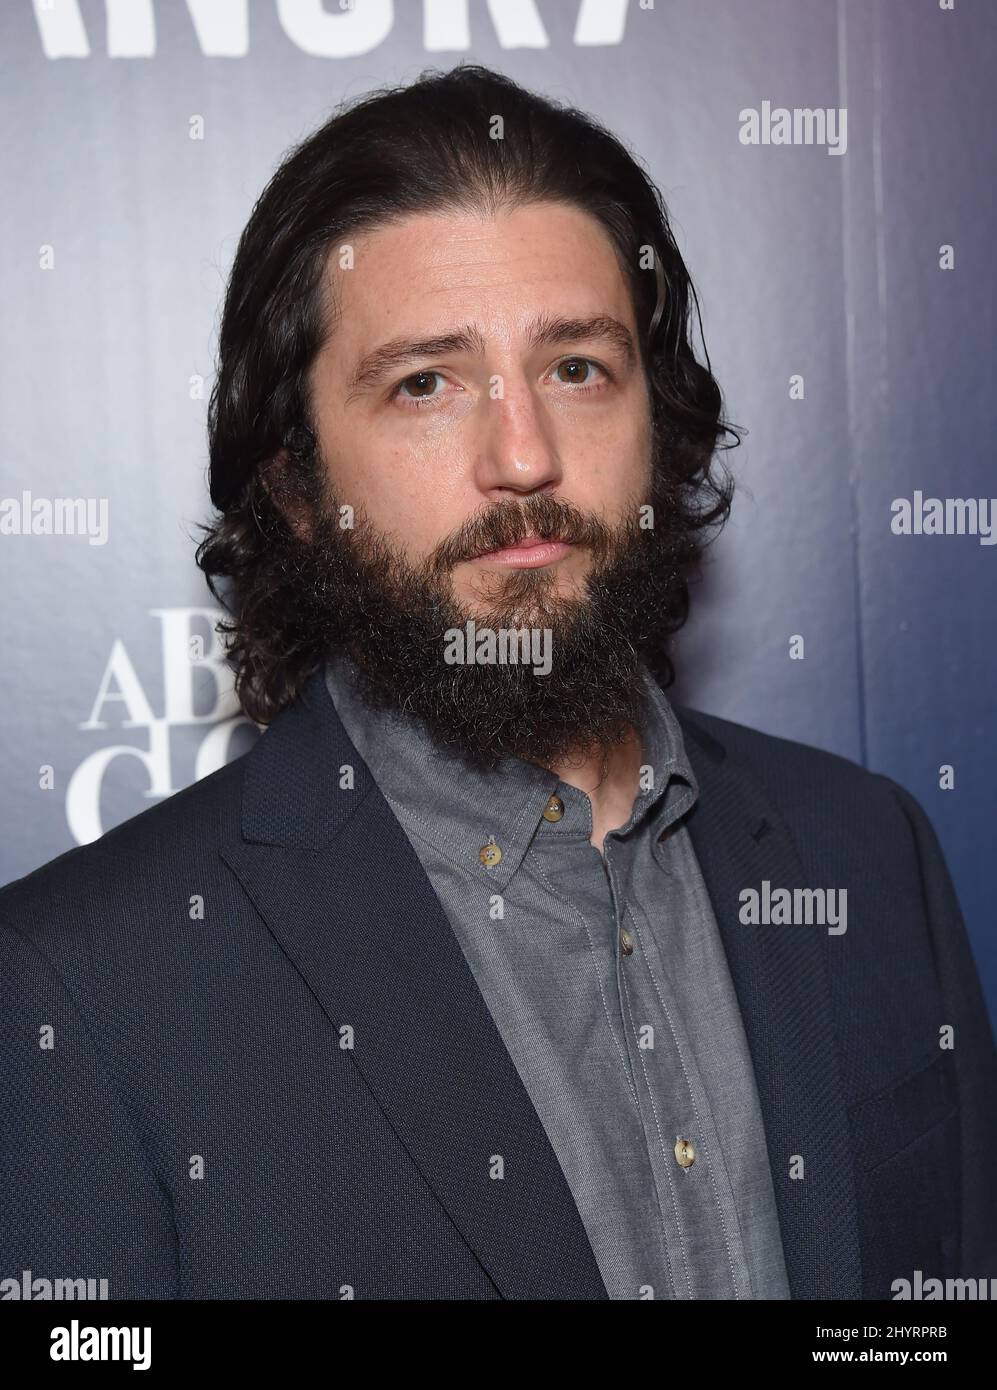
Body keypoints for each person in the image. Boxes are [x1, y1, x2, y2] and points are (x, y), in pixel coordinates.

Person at [2, 64, 994, 1302]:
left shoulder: (866, 852)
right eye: (425, 383)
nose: (523, 455)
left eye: (577, 367)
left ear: (657, 420)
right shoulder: (77, 987)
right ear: (297, 488)